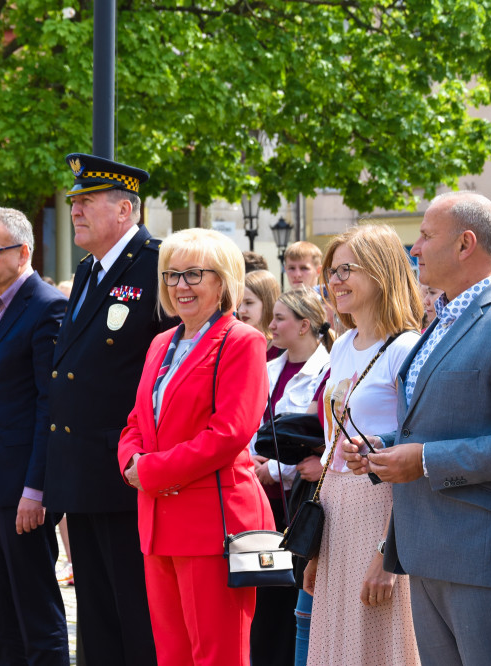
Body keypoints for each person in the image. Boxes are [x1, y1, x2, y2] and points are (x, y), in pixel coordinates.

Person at [343, 192, 491, 666]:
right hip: (428, 550)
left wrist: (422, 459)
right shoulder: (443, 318)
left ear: (465, 244)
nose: (415, 248)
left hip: (484, 555)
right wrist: (385, 449)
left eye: (426, 235)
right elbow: (440, 420)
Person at [118, 227, 273, 666]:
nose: (179, 286)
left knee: (218, 655)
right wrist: (130, 458)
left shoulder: (242, 341)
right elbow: (136, 422)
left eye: (193, 275)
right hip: (158, 523)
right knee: (172, 656)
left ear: (222, 281)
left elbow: (230, 433)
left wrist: (149, 471)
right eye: (171, 275)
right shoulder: (160, 343)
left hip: (213, 527)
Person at [44, 153, 163, 666]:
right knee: (93, 614)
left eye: (88, 201)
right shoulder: (90, 269)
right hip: (84, 472)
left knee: (135, 613)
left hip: (128, 473)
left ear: (125, 210)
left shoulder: (157, 264)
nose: (76, 211)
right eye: (74, 202)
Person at [302, 224, 422, 666]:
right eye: (331, 271)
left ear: (381, 272)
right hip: (337, 506)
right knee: (338, 642)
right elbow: (335, 445)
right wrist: (317, 548)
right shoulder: (343, 346)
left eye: (346, 269)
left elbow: (412, 455)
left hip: (381, 509)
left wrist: (387, 553)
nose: (334, 280)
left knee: (378, 643)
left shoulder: (406, 348)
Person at [0, 207, 70, 665]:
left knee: (36, 617)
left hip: (23, 491)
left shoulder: (47, 306)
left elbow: (50, 405)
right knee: (0, 619)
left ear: (24, 252)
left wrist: (37, 488)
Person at [249, 287, 333, 666]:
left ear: (304, 325)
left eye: (280, 317)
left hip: (298, 503)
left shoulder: (327, 371)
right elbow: (253, 428)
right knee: (262, 600)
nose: (271, 324)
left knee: (293, 602)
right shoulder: (267, 368)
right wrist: (251, 461)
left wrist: (272, 468)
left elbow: (319, 440)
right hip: (261, 502)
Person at [239, 269, 281, 360]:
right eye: (239, 304)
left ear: (268, 303)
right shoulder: (237, 342)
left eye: (249, 303)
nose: (241, 310)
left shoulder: (283, 347)